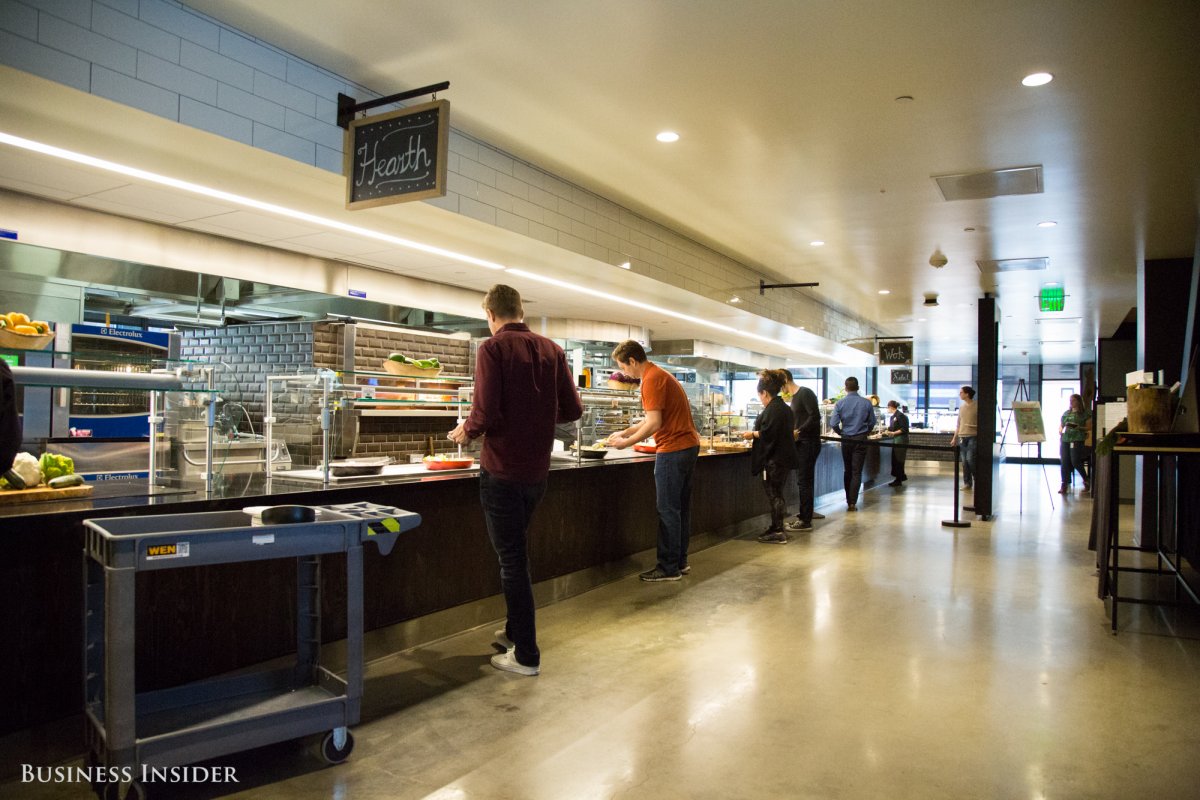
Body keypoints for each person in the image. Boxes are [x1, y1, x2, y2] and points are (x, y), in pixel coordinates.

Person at [449, 284, 583, 676]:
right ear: (520, 310)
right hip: (536, 474)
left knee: (512, 562)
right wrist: (536, 418)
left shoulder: (491, 349)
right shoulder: (553, 350)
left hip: (502, 471)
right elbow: (573, 409)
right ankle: (512, 631)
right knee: (518, 555)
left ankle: (526, 654)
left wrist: (465, 432)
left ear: (490, 314)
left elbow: (485, 412)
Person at [607, 340, 701, 581]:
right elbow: (652, 419)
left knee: (668, 509)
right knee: (679, 509)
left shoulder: (650, 380)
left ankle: (668, 568)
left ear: (632, 361)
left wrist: (624, 444)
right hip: (688, 446)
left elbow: (654, 423)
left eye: (623, 367)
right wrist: (627, 432)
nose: (624, 373)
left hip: (673, 449)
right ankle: (680, 562)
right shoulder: (659, 374)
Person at [742, 370, 799, 543]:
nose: (760, 398)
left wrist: (753, 434)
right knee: (778, 494)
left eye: (760, 395)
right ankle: (777, 527)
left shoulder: (773, 409)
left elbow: (769, 433)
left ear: (764, 393)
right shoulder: (784, 408)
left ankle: (777, 530)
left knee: (774, 494)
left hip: (774, 460)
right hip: (784, 458)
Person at [779, 370, 824, 532]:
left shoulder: (805, 393)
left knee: (804, 481)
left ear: (785, 379)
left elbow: (815, 417)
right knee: (803, 481)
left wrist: (799, 431)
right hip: (801, 443)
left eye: (779, 382)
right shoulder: (794, 397)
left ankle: (805, 520)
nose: (779, 387)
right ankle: (805, 515)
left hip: (808, 443)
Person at [829, 377, 875, 511]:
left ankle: (848, 498)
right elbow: (872, 422)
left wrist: (841, 433)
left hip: (846, 439)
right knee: (856, 471)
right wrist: (866, 431)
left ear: (845, 388)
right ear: (858, 387)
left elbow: (833, 423)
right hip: (860, 439)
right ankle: (852, 502)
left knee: (847, 469)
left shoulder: (840, 403)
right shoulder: (866, 403)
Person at [1058, 393, 1091, 494]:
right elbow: (1061, 425)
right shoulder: (1066, 413)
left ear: (1079, 401)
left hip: (1077, 439)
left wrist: (1079, 427)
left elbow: (1089, 427)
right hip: (1065, 439)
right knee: (1064, 461)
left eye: (1073, 400)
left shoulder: (1085, 414)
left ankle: (1086, 480)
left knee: (1075, 461)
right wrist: (1060, 430)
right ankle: (1064, 483)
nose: (1071, 402)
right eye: (1070, 400)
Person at [950, 385, 978, 489]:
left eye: (961, 392)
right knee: (964, 461)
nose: (960, 394)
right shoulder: (961, 407)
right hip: (962, 436)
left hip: (973, 436)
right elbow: (958, 424)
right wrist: (954, 438)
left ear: (967, 394)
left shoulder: (977, 406)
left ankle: (977, 479)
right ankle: (967, 483)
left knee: (970, 459)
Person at [881, 400, 909, 487]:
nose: (887, 409)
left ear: (891, 407)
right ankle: (898, 478)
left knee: (899, 460)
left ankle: (899, 479)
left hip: (901, 441)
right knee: (896, 460)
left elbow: (904, 429)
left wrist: (893, 433)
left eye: (888, 407)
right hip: (895, 441)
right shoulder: (893, 416)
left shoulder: (901, 416)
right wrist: (885, 430)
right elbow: (891, 427)